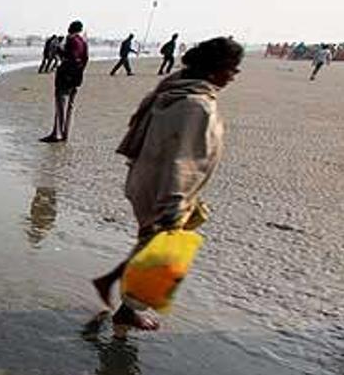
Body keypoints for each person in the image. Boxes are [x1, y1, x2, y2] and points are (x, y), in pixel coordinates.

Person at [92, 37, 244, 331]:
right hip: (164, 188)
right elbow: (182, 160)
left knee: (149, 244)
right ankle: (127, 308)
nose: (234, 76)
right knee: (159, 253)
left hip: (146, 179)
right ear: (215, 70)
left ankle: (113, 287)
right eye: (232, 69)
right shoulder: (195, 105)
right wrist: (173, 206)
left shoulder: (173, 88)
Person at [40, 20, 88, 143]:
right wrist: (79, 72)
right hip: (77, 77)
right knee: (70, 107)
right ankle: (65, 134)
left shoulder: (71, 40)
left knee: (61, 105)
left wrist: (59, 50)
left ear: (70, 28)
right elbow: (85, 59)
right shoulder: (83, 42)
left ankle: (57, 134)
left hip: (66, 77)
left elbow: (70, 56)